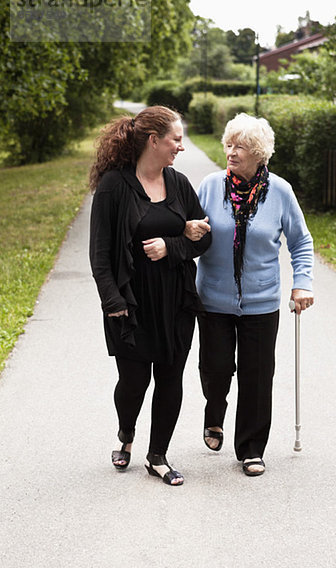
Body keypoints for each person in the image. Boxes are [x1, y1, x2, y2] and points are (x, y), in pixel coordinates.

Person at [185, 112, 314, 476]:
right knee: (215, 369)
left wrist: (302, 281)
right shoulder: (210, 186)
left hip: (261, 301)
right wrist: (188, 231)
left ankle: (251, 449)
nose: (231, 152)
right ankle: (215, 413)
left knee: (257, 376)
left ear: (259, 153)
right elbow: (191, 230)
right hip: (212, 299)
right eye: (229, 144)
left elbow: (301, 241)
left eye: (240, 146)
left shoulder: (280, 192)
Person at [89, 106, 211, 486]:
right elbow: (100, 251)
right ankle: (126, 432)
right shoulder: (114, 185)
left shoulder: (178, 184)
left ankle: (157, 455)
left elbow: (204, 235)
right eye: (176, 139)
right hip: (131, 302)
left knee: (172, 377)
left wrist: (173, 246)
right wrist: (113, 302)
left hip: (175, 299)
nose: (181, 146)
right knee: (134, 381)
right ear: (153, 140)